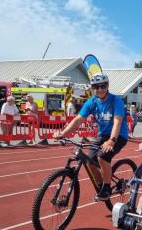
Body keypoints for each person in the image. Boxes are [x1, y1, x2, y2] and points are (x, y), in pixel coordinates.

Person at [53, 73, 128, 201]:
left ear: (107, 86)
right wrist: (63, 133)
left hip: (119, 135)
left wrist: (111, 141)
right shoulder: (92, 102)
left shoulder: (116, 101)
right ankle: (101, 187)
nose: (99, 89)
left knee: (103, 157)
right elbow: (78, 120)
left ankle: (107, 186)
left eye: (102, 86)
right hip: (102, 134)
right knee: (88, 160)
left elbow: (117, 122)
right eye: (96, 87)